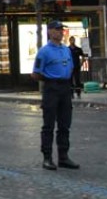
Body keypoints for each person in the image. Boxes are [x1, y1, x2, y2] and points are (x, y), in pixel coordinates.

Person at [32, 21, 79, 171]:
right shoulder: (44, 52)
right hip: (51, 87)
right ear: (50, 32)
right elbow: (35, 73)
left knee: (65, 124)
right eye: (57, 30)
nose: (60, 32)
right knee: (49, 125)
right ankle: (47, 157)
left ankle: (63, 156)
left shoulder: (66, 50)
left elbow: (71, 67)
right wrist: (50, 80)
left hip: (65, 88)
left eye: (61, 30)